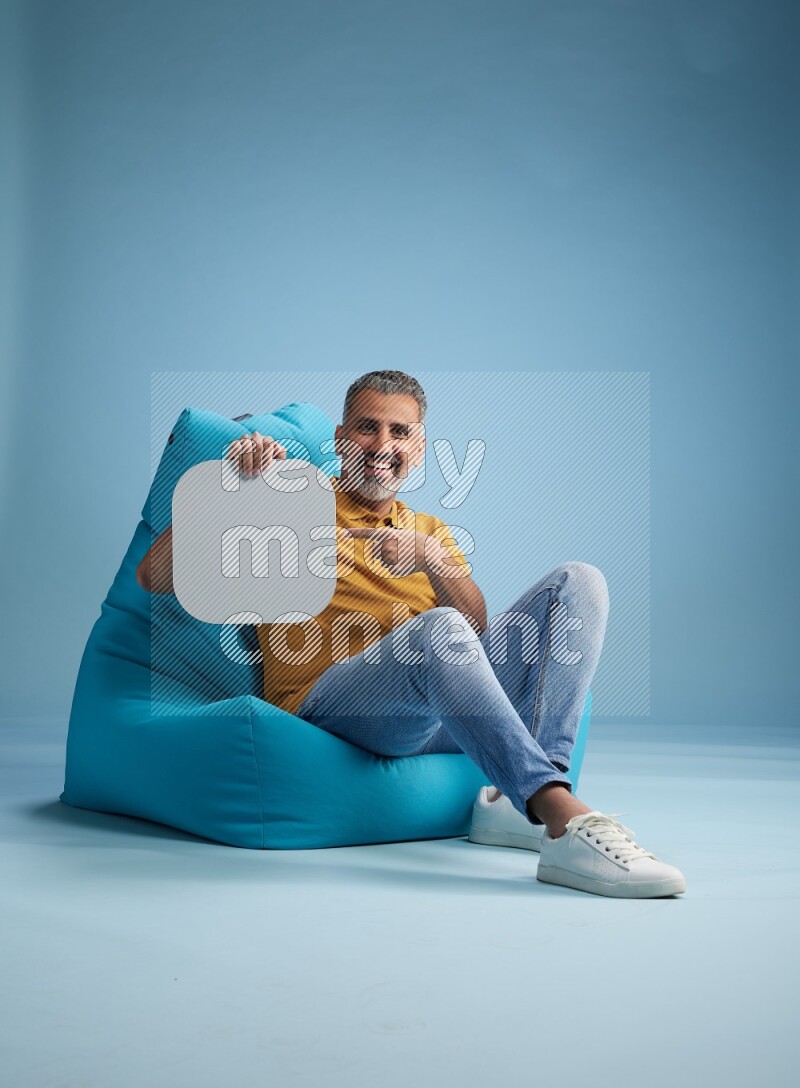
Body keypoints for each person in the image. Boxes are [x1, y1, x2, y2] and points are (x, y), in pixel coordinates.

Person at [138, 370, 686, 899]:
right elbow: (154, 578)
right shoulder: (291, 503)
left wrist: (432, 561)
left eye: (399, 431)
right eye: (366, 426)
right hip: (335, 707)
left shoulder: (429, 531)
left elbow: (476, 633)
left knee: (579, 581)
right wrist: (231, 486)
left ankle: (513, 802)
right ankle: (559, 815)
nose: (382, 444)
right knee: (438, 630)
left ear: (419, 448)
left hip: (437, 712)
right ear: (339, 439)